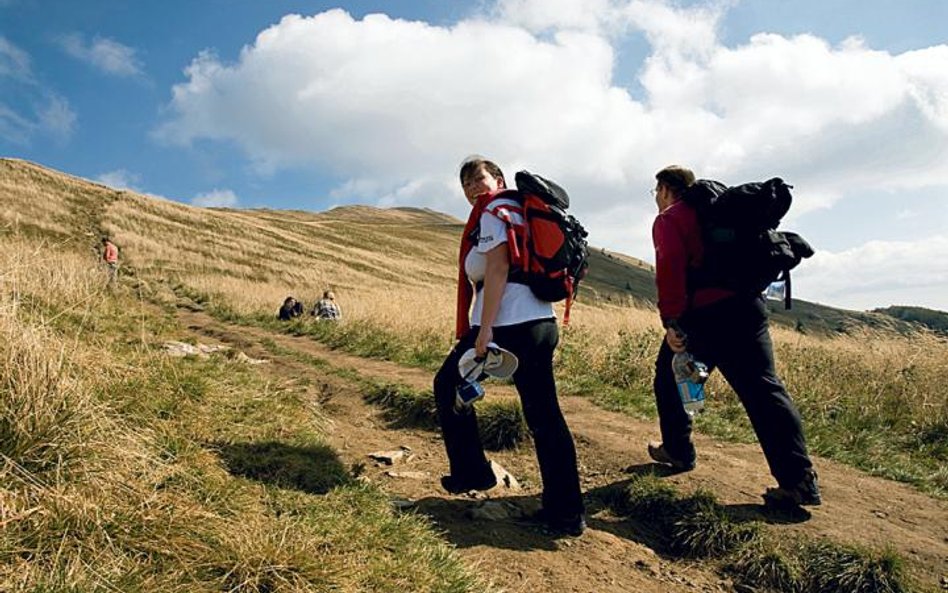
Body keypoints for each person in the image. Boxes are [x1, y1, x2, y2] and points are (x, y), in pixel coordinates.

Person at [647, 165, 821, 508]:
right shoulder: (719, 211)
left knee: (671, 376)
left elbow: (670, 270)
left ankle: (679, 450)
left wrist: (671, 321)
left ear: (666, 189)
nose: (655, 198)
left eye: (656, 191)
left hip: (704, 316)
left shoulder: (671, 219)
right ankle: (799, 480)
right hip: (748, 310)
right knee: (765, 391)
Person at [433, 156, 585, 535]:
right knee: (545, 416)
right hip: (539, 322)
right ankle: (566, 512)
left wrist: (485, 331)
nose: (471, 187)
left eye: (477, 178)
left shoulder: (493, 212)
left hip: (507, 323)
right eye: (465, 182)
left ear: (497, 179)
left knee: (446, 385)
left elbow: (498, 268)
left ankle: (473, 472)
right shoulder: (520, 210)